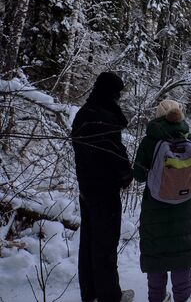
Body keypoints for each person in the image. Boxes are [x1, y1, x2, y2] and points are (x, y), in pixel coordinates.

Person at [133, 100, 191, 302]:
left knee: (156, 258)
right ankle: (182, 298)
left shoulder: (149, 141)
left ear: (157, 116)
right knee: (181, 257)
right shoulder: (189, 138)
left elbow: (138, 174)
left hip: (155, 208)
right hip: (184, 205)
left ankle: (157, 298)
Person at [71, 72, 135, 302]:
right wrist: (126, 176)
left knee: (89, 243)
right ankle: (110, 297)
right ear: (111, 92)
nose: (119, 97)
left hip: (86, 189)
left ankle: (90, 294)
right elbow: (114, 153)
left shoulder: (82, 114)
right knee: (106, 245)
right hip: (105, 191)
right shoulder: (104, 117)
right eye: (117, 92)